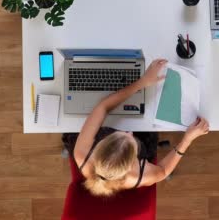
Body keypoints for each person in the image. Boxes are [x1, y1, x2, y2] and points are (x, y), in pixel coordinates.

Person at [71, 59, 210, 197]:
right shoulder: (138, 176)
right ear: (133, 163)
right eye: (131, 138)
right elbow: (163, 171)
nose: (130, 132)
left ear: (99, 145)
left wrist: (142, 82)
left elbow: (103, 106)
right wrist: (187, 139)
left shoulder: (82, 153)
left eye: (119, 134)